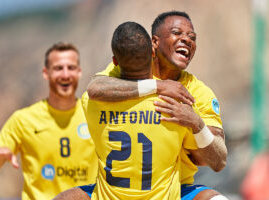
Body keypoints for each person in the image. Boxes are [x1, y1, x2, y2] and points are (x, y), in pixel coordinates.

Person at [85, 11, 228, 200]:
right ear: (154, 43)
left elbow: (218, 160)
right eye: (177, 33)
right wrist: (158, 86)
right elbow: (95, 88)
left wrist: (195, 123)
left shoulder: (198, 93)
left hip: (175, 189)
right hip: (116, 188)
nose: (186, 40)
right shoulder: (129, 71)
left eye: (192, 37)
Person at [55, 21, 199, 200]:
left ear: (115, 62)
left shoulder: (91, 103)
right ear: (153, 53)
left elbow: (94, 88)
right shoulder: (174, 104)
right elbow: (204, 159)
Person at [0, 43, 98, 200]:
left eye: (71, 67)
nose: (65, 74)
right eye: (58, 68)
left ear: (79, 72)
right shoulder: (22, 119)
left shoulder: (95, 114)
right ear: (45, 73)